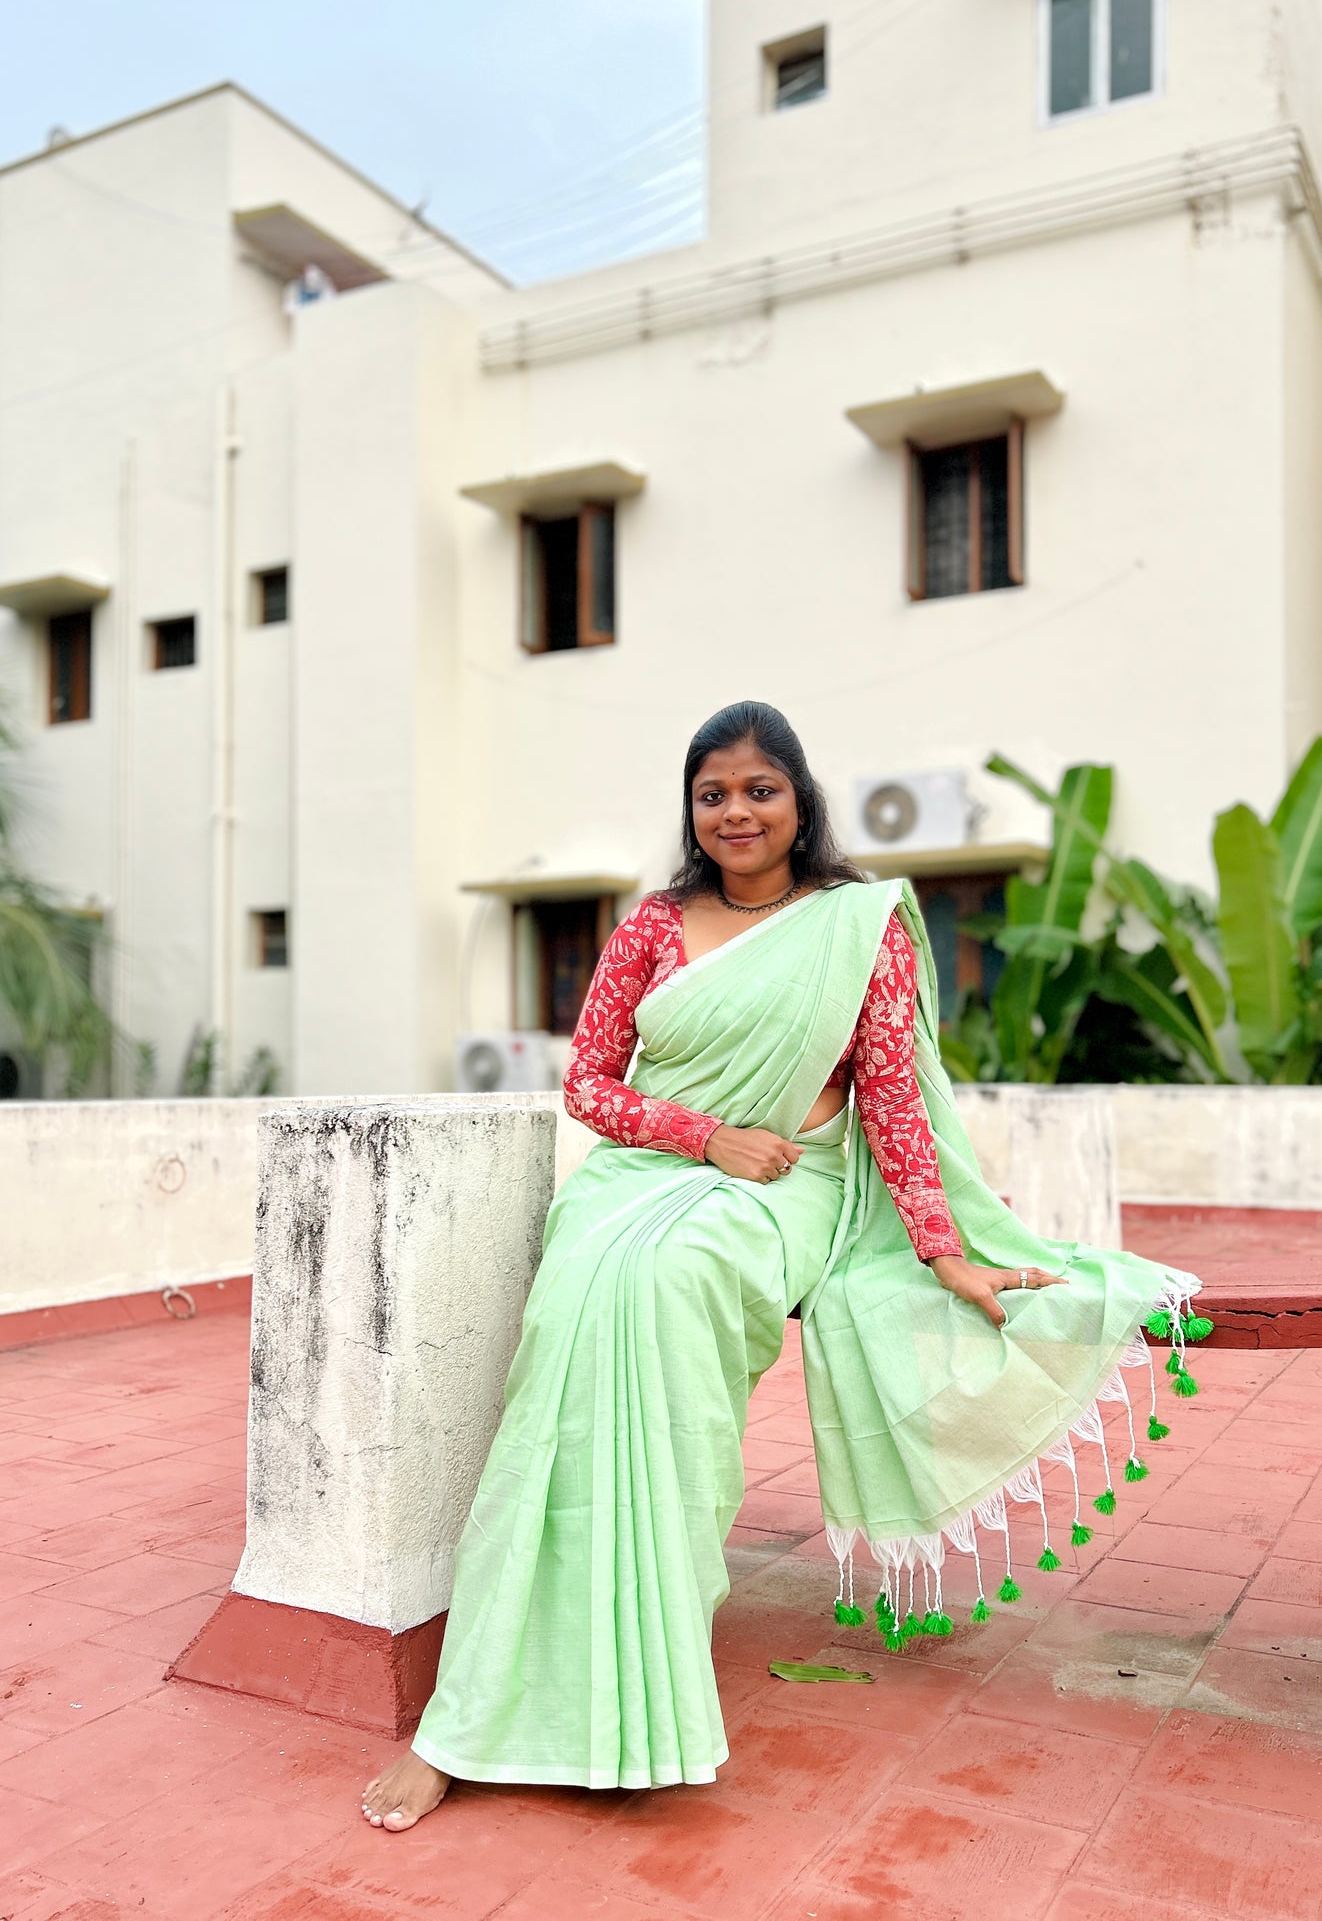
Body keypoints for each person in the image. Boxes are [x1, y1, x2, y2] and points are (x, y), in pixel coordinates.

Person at [362, 701, 1204, 1829]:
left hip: (784, 1187)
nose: (735, 811)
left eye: (758, 789)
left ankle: (643, 1681)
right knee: (567, 1334)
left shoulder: (858, 925)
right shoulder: (653, 926)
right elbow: (589, 1088)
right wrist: (700, 1137)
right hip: (649, 1179)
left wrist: (943, 1249)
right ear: (690, 810)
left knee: (673, 1285)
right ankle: (467, 1717)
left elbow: (893, 1095)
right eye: (712, 793)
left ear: (799, 799)